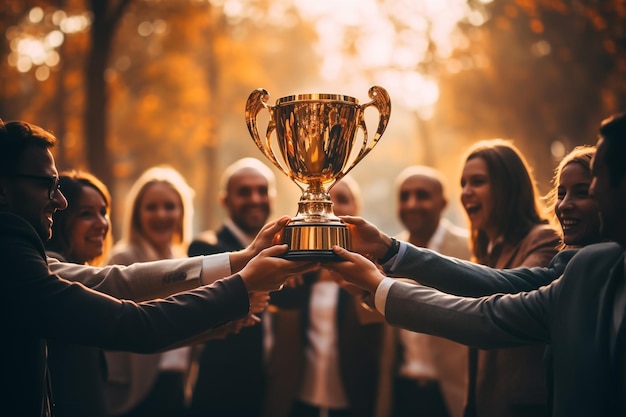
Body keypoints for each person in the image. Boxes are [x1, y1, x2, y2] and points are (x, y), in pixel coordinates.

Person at [0, 119, 317, 417]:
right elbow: (133, 314)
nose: (60, 201)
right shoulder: (16, 256)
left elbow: (123, 289)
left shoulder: (27, 256)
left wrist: (235, 273)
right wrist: (241, 280)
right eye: (47, 184)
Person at [325, 112, 626, 417]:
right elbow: (495, 290)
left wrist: (379, 282)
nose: (563, 204)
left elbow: (490, 307)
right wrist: (389, 252)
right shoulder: (591, 265)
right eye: (560, 193)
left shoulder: (550, 247)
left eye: (588, 187)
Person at [263, 175, 391, 417]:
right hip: (298, 402)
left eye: (341, 200)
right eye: (326, 201)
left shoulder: (374, 272)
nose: (331, 208)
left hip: (354, 403)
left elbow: (383, 330)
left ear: (356, 210)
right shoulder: (297, 275)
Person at [186, 157, 277, 417]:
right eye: (244, 192)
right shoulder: (205, 249)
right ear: (225, 201)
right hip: (221, 395)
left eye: (262, 190)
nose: (255, 198)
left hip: (273, 392)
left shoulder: (283, 250)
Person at [102, 166, 194, 417]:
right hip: (134, 392)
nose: (161, 214)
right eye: (151, 207)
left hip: (175, 386)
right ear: (137, 213)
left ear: (182, 212)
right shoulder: (124, 258)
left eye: (169, 206)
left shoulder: (183, 259)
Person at [391, 165, 471, 417]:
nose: (412, 204)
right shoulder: (387, 253)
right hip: (402, 391)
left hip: (455, 395)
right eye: (405, 196)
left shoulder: (470, 248)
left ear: (443, 202)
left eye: (422, 195)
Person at [43, 170, 114, 417]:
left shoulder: (79, 270)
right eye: (86, 214)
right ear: (60, 219)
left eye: (103, 212)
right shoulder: (50, 270)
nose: (101, 223)